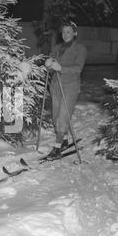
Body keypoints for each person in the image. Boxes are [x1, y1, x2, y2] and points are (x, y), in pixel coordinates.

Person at [44, 21, 87, 160]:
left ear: (74, 33)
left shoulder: (80, 49)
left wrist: (61, 68)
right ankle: (65, 139)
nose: (65, 34)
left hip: (70, 87)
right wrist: (49, 64)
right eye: (63, 32)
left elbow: (78, 68)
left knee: (63, 116)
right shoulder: (57, 47)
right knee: (56, 116)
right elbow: (51, 66)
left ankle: (57, 148)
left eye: (68, 32)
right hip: (56, 85)